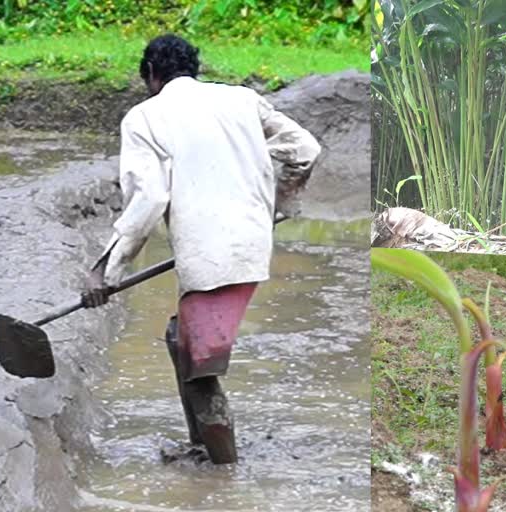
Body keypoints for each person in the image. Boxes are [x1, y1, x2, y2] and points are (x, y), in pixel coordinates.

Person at [81, 34, 321, 464]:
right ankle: (201, 445)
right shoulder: (241, 101)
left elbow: (149, 199)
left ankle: (224, 472)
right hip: (250, 243)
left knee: (200, 370)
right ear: (194, 68)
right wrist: (279, 199)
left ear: (151, 75)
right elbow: (305, 149)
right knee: (181, 340)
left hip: (211, 256)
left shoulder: (145, 117)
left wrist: (107, 271)